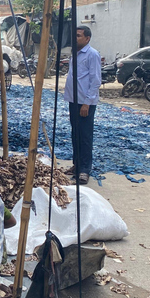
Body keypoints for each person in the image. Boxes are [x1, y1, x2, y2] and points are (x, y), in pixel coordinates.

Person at [64, 26, 101, 185]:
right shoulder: (75, 54)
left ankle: (85, 170)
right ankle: (77, 164)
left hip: (85, 103)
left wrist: (87, 103)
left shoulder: (92, 54)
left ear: (87, 38)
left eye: (78, 36)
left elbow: (95, 81)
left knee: (85, 136)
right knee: (75, 134)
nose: (75, 38)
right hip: (74, 100)